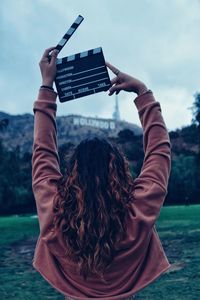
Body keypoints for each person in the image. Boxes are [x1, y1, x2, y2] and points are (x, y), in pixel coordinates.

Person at [32, 47, 171, 300]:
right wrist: (143, 94)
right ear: (119, 171)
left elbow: (43, 153)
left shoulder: (54, 213)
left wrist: (46, 87)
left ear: (72, 173)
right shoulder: (137, 212)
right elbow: (159, 153)